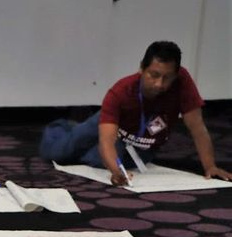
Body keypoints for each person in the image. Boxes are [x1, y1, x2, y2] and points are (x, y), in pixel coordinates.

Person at [39, 41, 231, 186]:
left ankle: (86, 144)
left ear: (176, 74)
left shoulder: (182, 83)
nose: (160, 84)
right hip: (111, 127)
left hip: (141, 144)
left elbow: (198, 128)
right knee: (59, 152)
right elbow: (107, 140)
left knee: (96, 160)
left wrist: (210, 166)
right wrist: (115, 171)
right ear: (142, 68)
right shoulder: (122, 91)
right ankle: (64, 127)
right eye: (154, 75)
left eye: (167, 78)